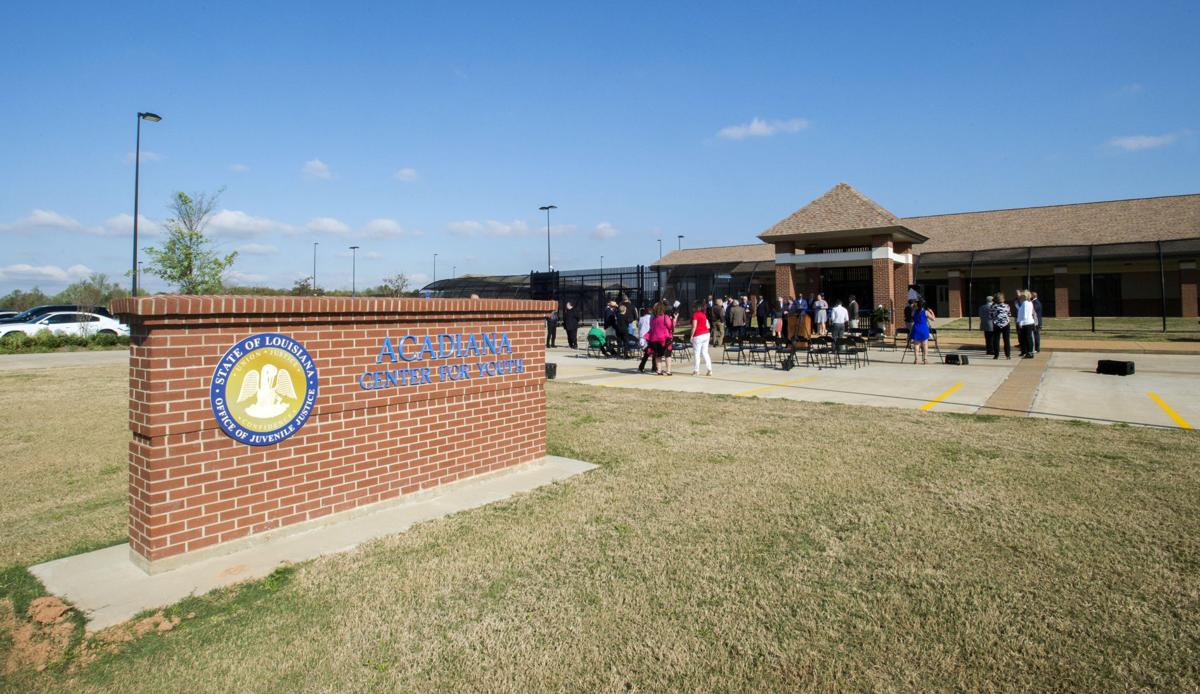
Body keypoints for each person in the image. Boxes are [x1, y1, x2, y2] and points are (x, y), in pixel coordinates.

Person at [647, 303, 675, 375]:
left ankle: (659, 370)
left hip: (654, 339)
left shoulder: (653, 318)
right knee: (667, 355)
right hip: (665, 339)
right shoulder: (665, 317)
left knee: (658, 355)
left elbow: (651, 327)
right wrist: (674, 319)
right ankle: (668, 371)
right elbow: (670, 327)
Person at [690, 301, 712, 376]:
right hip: (706, 334)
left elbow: (694, 326)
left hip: (698, 335)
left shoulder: (695, 315)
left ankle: (696, 370)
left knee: (697, 353)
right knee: (705, 352)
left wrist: (691, 336)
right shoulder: (704, 315)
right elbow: (707, 325)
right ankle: (709, 369)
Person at [909, 300, 934, 364]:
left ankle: (916, 359)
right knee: (925, 345)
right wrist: (931, 312)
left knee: (916, 345)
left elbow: (911, 316)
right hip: (924, 328)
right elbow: (933, 319)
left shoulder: (914, 311)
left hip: (916, 328)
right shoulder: (925, 312)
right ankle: (925, 359)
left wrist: (914, 307)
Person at [989, 291, 1012, 359]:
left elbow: (990, 316)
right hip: (1006, 324)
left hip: (997, 324)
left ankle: (996, 355)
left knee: (996, 340)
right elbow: (1009, 314)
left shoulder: (993, 306)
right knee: (1006, 340)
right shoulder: (1007, 306)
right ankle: (1008, 355)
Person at [1016, 290, 1037, 359]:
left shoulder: (1025, 303)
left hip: (1026, 323)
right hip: (1028, 322)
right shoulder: (1029, 302)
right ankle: (1026, 351)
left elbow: (1025, 314)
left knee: (1027, 338)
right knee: (1025, 338)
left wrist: (1021, 323)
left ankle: (1029, 352)